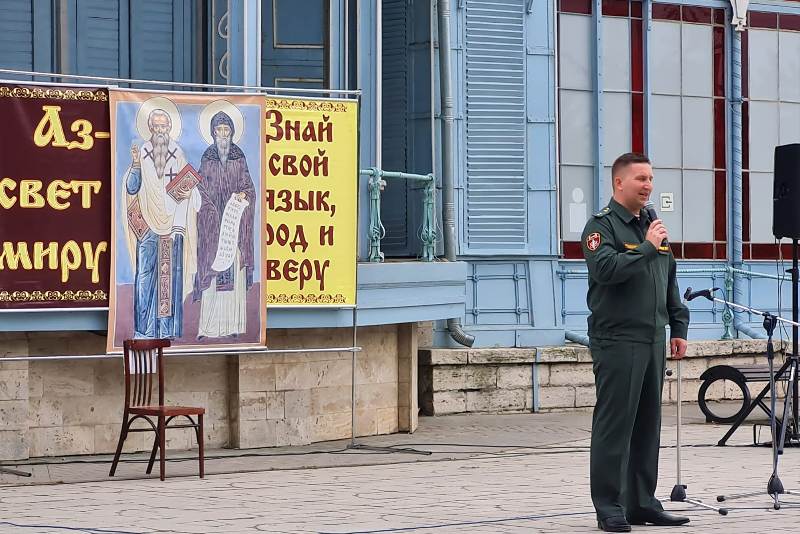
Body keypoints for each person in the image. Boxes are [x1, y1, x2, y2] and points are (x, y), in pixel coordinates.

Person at [581, 153, 690, 532]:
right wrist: (645, 247)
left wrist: (678, 325)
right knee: (615, 426)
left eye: (651, 179)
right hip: (617, 339)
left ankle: (642, 503)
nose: (648, 186)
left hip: (652, 338)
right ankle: (609, 507)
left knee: (647, 425)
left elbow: (668, 277)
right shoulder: (601, 227)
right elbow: (605, 270)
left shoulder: (651, 226)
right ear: (619, 183)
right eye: (640, 178)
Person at [124, 108, 201, 339]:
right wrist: (135, 165)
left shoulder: (177, 154)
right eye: (156, 126)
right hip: (147, 225)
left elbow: (189, 187)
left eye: (163, 126)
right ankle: (144, 329)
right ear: (150, 128)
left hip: (171, 226)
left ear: (169, 128)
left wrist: (188, 191)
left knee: (168, 277)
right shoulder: (142, 153)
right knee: (145, 276)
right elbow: (131, 188)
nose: (160, 131)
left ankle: (165, 329)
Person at [193, 110, 256, 338]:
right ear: (213, 133)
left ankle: (233, 326)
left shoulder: (239, 158)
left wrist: (242, 196)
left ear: (232, 133)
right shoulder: (207, 158)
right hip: (212, 227)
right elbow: (199, 188)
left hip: (233, 227)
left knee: (233, 275)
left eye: (226, 130)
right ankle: (208, 327)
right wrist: (210, 210)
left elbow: (249, 188)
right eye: (218, 130)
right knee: (213, 273)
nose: (222, 134)